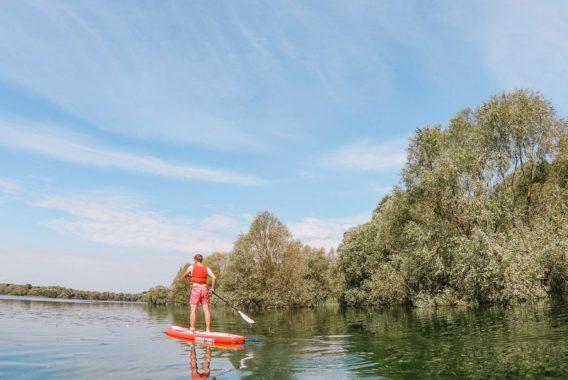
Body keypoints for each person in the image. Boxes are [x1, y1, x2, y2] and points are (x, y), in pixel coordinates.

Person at [183, 254, 217, 332]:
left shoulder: (191, 267)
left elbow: (184, 275)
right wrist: (212, 288)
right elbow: (214, 278)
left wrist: (190, 275)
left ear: (195, 260)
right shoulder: (207, 268)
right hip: (205, 289)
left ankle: (192, 328)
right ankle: (208, 329)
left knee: (193, 309)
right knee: (206, 309)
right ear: (201, 260)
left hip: (196, 289)